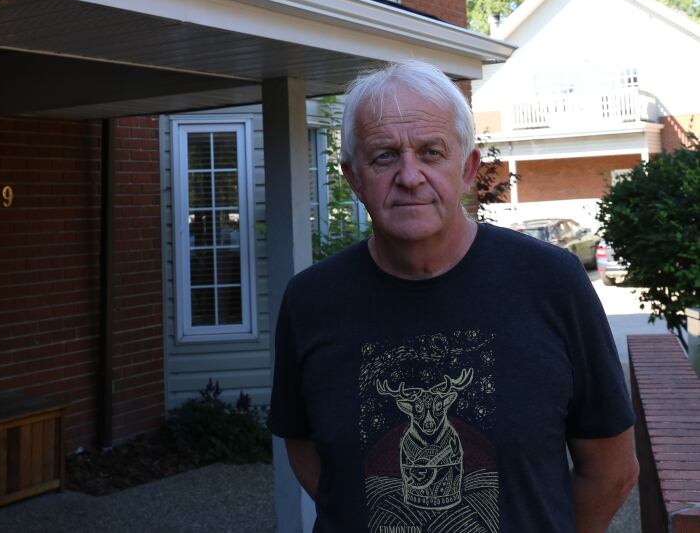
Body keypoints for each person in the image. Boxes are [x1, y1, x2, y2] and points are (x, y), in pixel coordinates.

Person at [267, 61, 639, 533]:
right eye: (384, 156)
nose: (410, 175)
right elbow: (306, 450)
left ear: (467, 169)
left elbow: (612, 470)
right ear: (353, 178)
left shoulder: (551, 282)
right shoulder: (310, 301)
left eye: (431, 152)